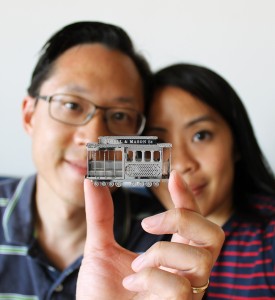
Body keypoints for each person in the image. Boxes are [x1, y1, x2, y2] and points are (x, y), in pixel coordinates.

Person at [0, 22, 224, 299]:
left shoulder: (169, 244)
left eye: (119, 116)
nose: (94, 137)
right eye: (71, 105)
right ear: (29, 115)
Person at [144, 63, 275, 299]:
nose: (182, 162)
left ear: (236, 143)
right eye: (156, 143)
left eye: (200, 135)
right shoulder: (130, 241)